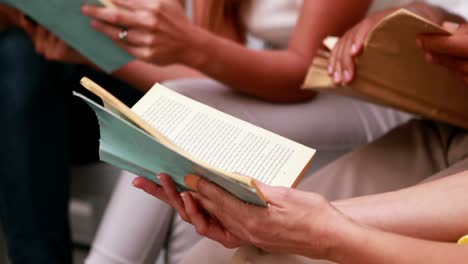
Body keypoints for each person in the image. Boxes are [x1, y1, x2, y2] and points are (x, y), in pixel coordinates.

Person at [131, 1, 468, 263]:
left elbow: (296, 77)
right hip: (448, 124)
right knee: (208, 258)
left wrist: (321, 228)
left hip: (360, 103)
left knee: (265, 252)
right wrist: (425, 12)